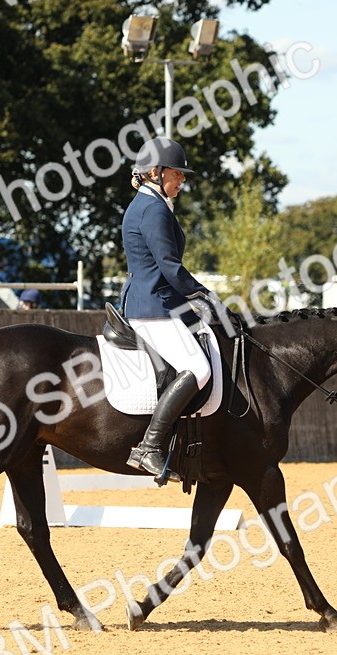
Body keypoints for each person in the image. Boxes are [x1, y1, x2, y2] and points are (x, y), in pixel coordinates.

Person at [119, 137, 214, 483]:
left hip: (160, 300)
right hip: (153, 304)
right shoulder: (153, 208)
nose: (182, 181)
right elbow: (170, 267)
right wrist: (205, 294)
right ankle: (149, 445)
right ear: (156, 173)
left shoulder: (154, 204)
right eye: (177, 174)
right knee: (198, 368)